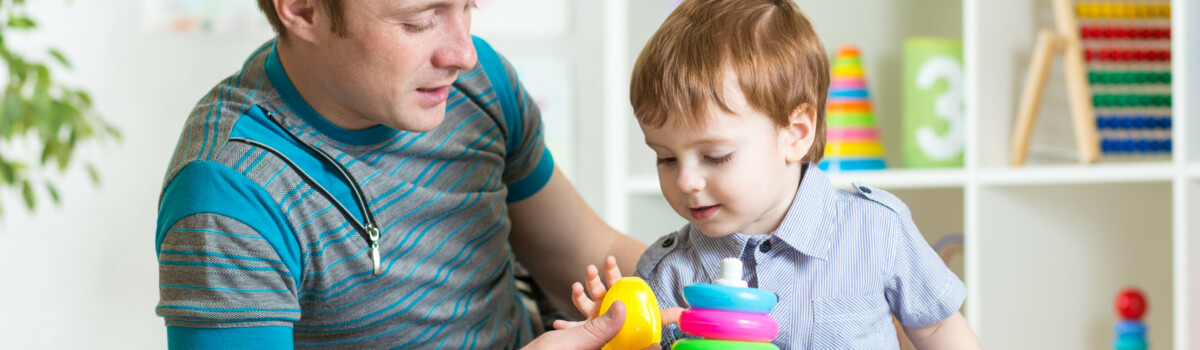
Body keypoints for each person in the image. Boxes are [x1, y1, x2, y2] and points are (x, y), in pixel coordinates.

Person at [153, 0, 646, 348]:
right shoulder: (230, 196)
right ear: (303, 9)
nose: (463, 53)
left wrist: (707, 281)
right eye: (419, 20)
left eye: (468, 5)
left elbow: (582, 254)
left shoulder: (477, 86)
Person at [557, 0, 983, 348]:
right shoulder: (665, 272)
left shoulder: (877, 230)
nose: (685, 181)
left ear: (796, 134)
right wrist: (625, 335)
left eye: (716, 156)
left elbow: (940, 329)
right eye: (666, 158)